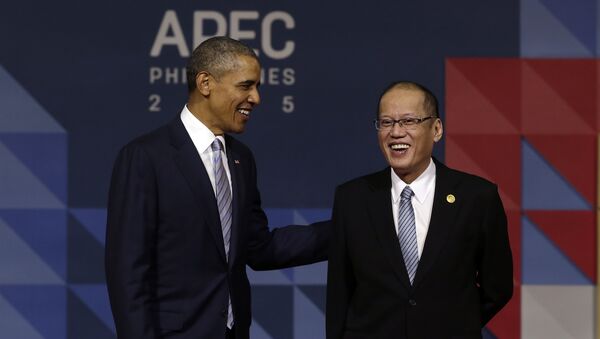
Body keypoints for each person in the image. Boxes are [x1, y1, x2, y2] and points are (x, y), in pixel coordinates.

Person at [105, 36, 330, 339]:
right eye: (245, 86)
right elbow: (127, 273)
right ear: (206, 83)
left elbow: (259, 248)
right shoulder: (146, 157)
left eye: (257, 87)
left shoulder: (241, 159)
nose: (256, 98)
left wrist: (348, 229)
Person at [326, 81, 513, 339]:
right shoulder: (352, 198)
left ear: (436, 129)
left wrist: (456, 324)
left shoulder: (477, 197)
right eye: (386, 122)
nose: (396, 132)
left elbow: (498, 287)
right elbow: (339, 292)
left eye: (408, 121)